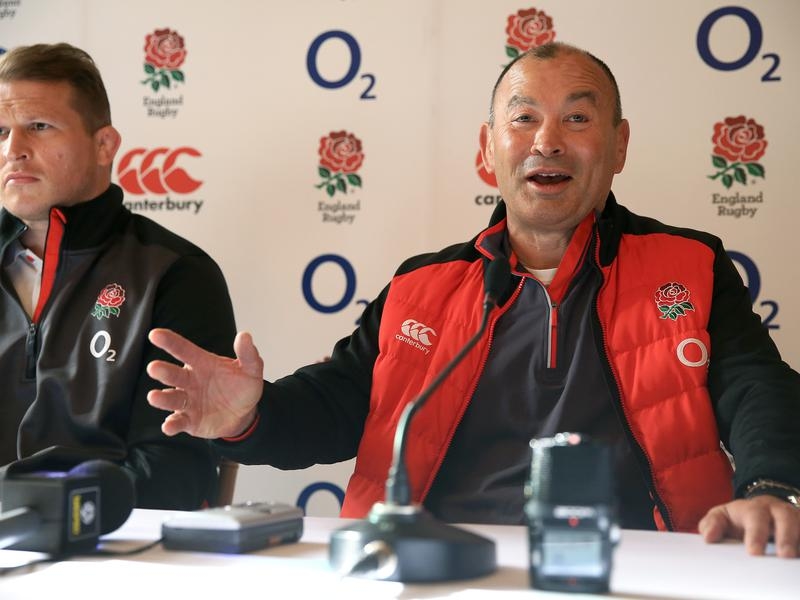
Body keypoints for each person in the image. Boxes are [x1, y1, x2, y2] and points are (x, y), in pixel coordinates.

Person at [146, 42, 800, 556]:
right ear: (490, 149)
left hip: (638, 565)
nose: (547, 140)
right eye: (524, 118)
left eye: (577, 118)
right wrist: (251, 415)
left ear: (619, 144)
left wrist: (772, 487)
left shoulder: (689, 266)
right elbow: (337, 404)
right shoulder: (421, 287)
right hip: (441, 567)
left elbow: (757, 387)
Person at [0, 43, 237, 509]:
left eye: (39, 126)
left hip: (105, 541)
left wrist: (42, 510)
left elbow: (173, 472)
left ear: (104, 145)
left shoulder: (175, 274)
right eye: (1, 131)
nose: (14, 150)